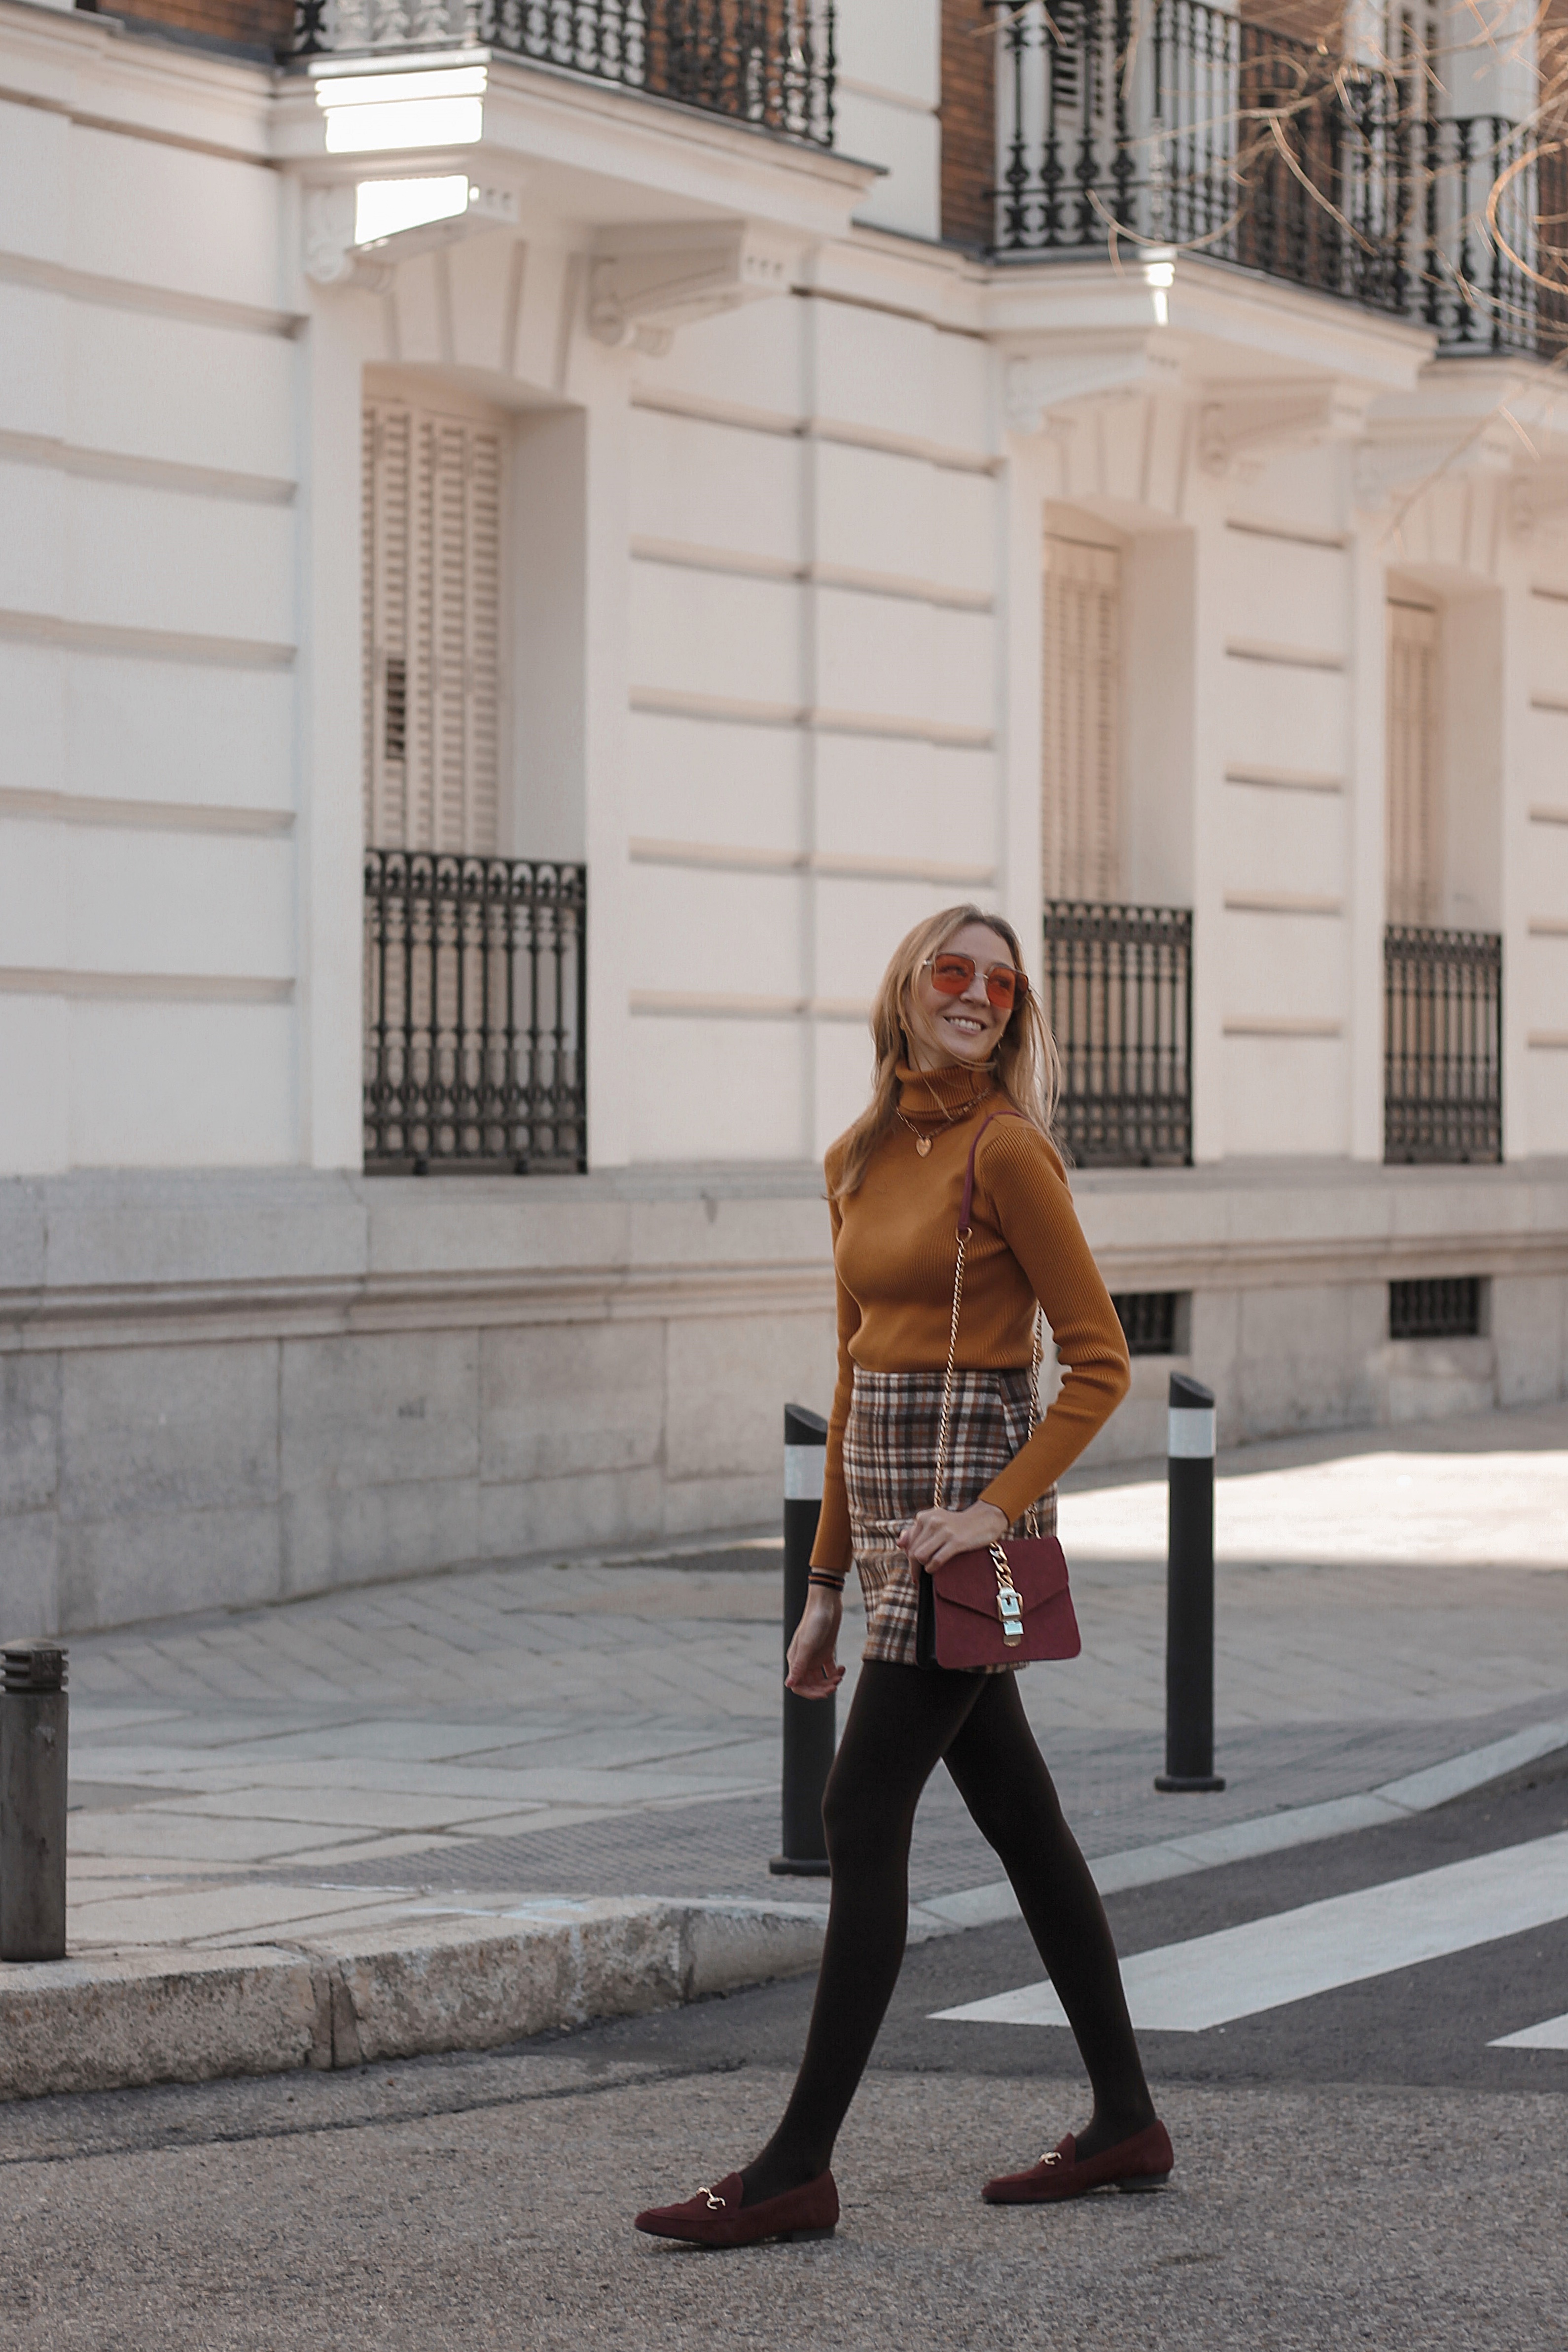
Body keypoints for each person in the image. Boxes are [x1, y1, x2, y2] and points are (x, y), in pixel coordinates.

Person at [635, 905, 1171, 2249]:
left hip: (962, 1524)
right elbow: (849, 1370)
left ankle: (794, 2166)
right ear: (905, 989)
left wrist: (991, 1516)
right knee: (1019, 1814)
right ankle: (1123, 2117)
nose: (977, 995)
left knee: (858, 1803)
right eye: (953, 971)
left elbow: (1097, 1360)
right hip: (882, 1520)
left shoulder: (1009, 1151)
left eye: (1001, 982)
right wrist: (822, 1580)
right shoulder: (858, 1157)